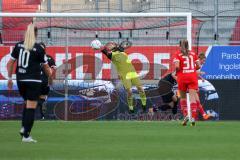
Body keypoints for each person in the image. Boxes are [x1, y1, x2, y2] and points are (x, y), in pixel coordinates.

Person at [7, 23, 52, 142]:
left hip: (20, 80)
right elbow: (46, 68)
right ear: (36, 34)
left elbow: (10, 63)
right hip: (33, 81)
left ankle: (24, 129)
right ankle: (26, 134)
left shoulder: (18, 46)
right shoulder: (39, 48)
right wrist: (51, 76)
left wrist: (10, 79)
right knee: (32, 107)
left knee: (27, 104)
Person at [98, 41, 147, 113]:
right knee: (129, 92)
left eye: (110, 44)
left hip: (133, 72)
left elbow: (124, 46)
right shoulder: (111, 55)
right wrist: (100, 47)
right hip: (124, 74)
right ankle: (131, 107)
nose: (108, 45)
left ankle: (144, 104)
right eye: (107, 45)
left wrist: (122, 46)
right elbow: (106, 52)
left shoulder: (120, 50)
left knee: (141, 89)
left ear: (114, 45)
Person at [173, 39, 201, 126]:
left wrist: (177, 72)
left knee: (183, 97)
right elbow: (199, 66)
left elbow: (177, 67)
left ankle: (186, 115)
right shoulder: (193, 54)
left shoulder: (177, 54)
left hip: (182, 77)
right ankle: (193, 116)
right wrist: (192, 70)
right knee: (193, 97)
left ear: (180, 46)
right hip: (192, 77)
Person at [37, 42, 56, 120]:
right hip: (44, 80)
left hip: (36, 81)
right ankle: (42, 115)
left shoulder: (33, 57)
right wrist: (51, 80)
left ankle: (41, 115)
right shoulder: (49, 58)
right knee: (43, 98)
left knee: (36, 98)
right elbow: (53, 70)